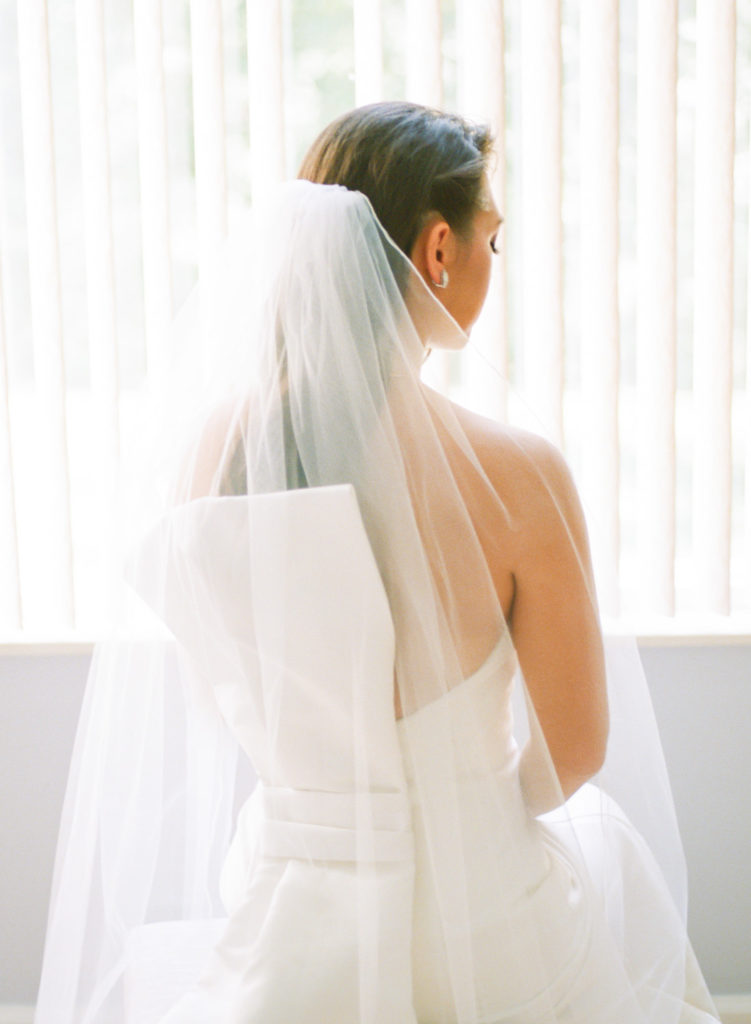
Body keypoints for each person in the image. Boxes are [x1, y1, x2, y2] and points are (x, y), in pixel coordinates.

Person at [35, 102, 720, 1023]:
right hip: (483, 921)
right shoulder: (519, 474)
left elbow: (226, 693)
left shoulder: (213, 454)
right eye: (492, 240)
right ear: (437, 249)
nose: (492, 263)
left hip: (299, 907)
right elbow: (574, 750)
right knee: (612, 859)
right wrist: (463, 814)